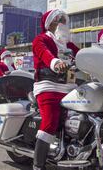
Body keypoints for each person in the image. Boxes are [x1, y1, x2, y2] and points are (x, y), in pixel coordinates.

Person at [32, 9, 79, 170]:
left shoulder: (69, 44)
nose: (63, 23)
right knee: (50, 121)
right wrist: (55, 63)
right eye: (59, 20)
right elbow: (44, 54)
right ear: (49, 24)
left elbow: (82, 55)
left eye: (64, 20)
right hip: (49, 87)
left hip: (70, 87)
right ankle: (38, 165)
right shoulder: (41, 39)